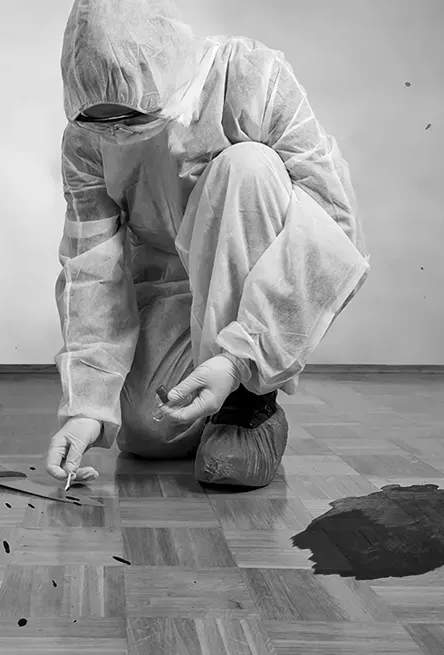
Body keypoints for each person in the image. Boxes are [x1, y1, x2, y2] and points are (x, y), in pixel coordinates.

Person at [44, 0, 370, 489]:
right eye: (100, 122)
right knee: (149, 430)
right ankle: (210, 400)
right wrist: (88, 406)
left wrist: (244, 356)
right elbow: (93, 266)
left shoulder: (248, 77)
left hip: (252, 269)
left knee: (248, 167)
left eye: (131, 119)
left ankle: (247, 405)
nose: (116, 135)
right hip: (168, 282)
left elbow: (333, 221)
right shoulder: (86, 141)